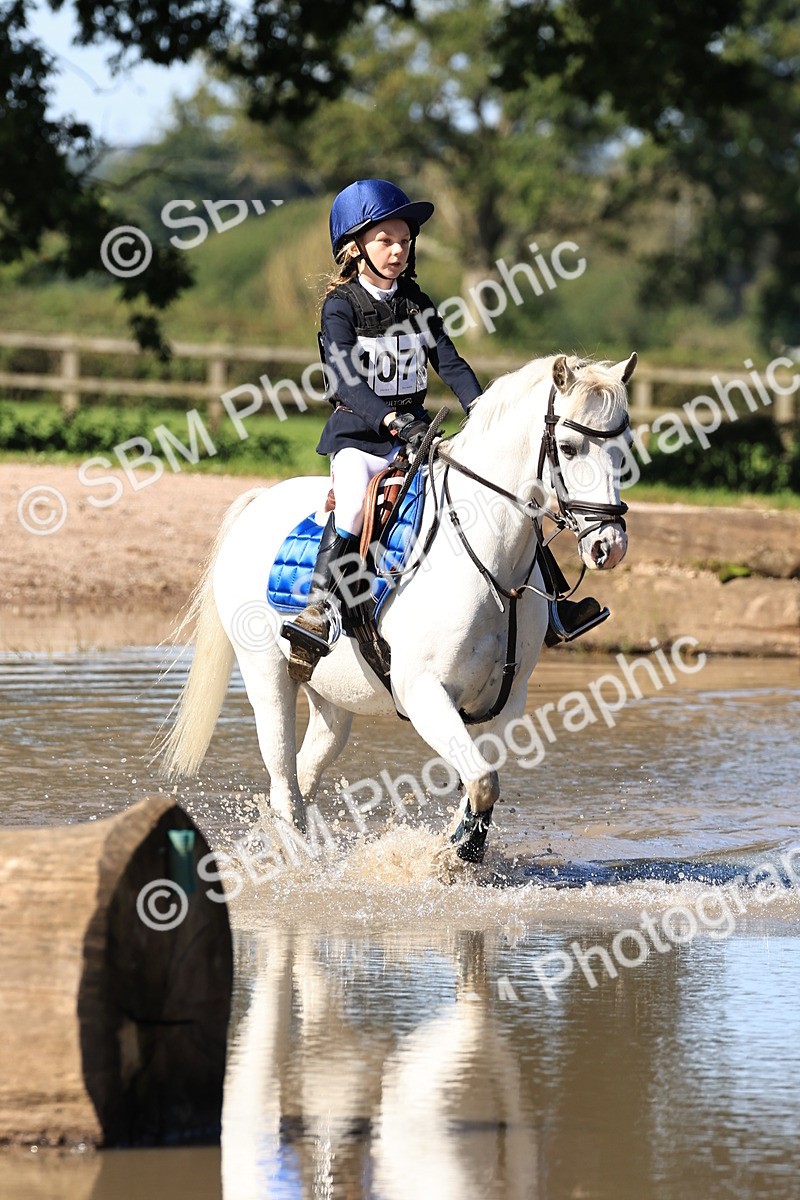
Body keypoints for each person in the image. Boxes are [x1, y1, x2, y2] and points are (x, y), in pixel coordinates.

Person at [281, 178, 605, 682]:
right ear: (354, 248)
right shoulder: (341, 307)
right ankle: (319, 610)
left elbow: (450, 364)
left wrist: (484, 414)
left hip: (417, 437)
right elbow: (345, 382)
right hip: (360, 438)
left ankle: (556, 607)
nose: (398, 250)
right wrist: (391, 420)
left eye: (404, 241)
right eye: (385, 241)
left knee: (508, 495)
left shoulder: (416, 302)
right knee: (354, 504)